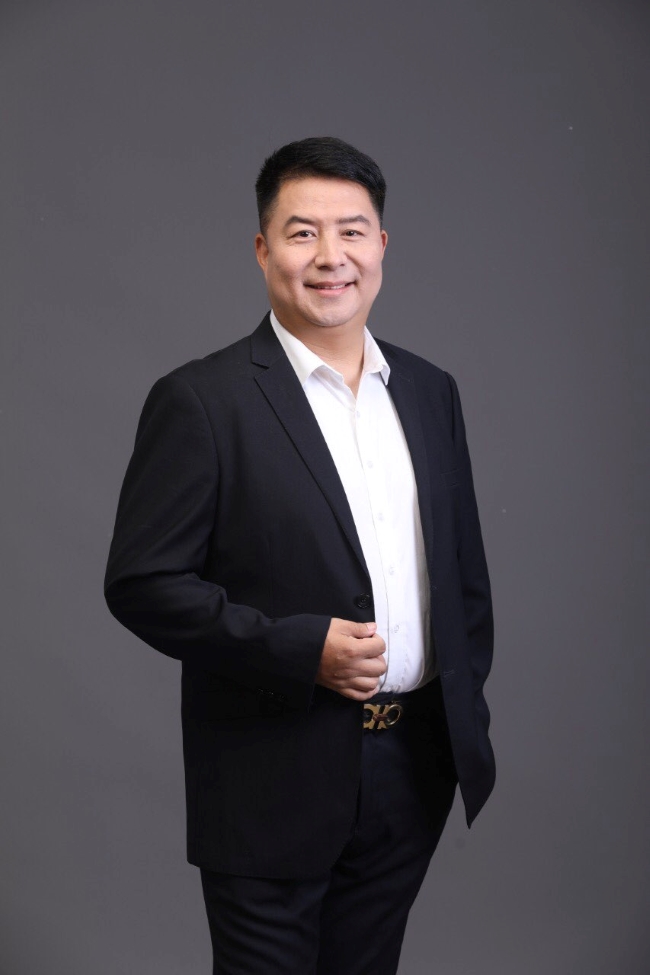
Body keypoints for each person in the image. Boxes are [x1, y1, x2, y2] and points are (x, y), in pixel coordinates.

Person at [104, 136, 495, 975]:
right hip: (267, 777)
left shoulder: (430, 391)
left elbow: (462, 577)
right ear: (262, 249)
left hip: (412, 768)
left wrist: (461, 716)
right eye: (302, 232)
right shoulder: (201, 400)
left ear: (381, 245)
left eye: (351, 231)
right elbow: (142, 582)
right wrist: (299, 648)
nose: (330, 257)